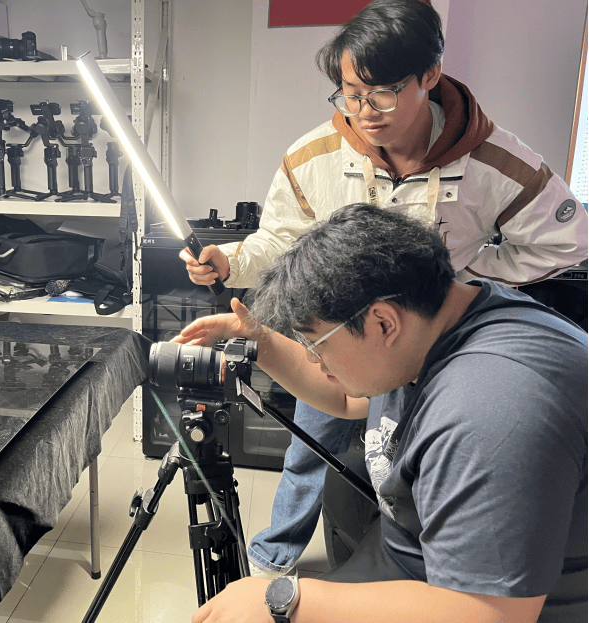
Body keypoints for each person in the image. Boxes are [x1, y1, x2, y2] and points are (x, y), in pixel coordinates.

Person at [179, 0, 588, 579]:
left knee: (424, 459)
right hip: (346, 337)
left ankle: (417, 549)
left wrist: (465, 276)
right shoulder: (313, 155)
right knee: (313, 439)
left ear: (430, 75)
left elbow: (568, 241)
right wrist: (232, 260)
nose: (363, 112)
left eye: (382, 94)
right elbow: (280, 241)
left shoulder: (493, 161)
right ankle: (279, 553)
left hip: (429, 344)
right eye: (350, 94)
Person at [174, 203, 587, 623]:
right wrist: (258, 341)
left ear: (384, 323)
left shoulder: (491, 409)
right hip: (418, 555)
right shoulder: (441, 317)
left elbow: (488, 615)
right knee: (343, 487)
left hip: (475, 602)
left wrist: (288, 601)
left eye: (317, 344)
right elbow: (345, 398)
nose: (313, 358)